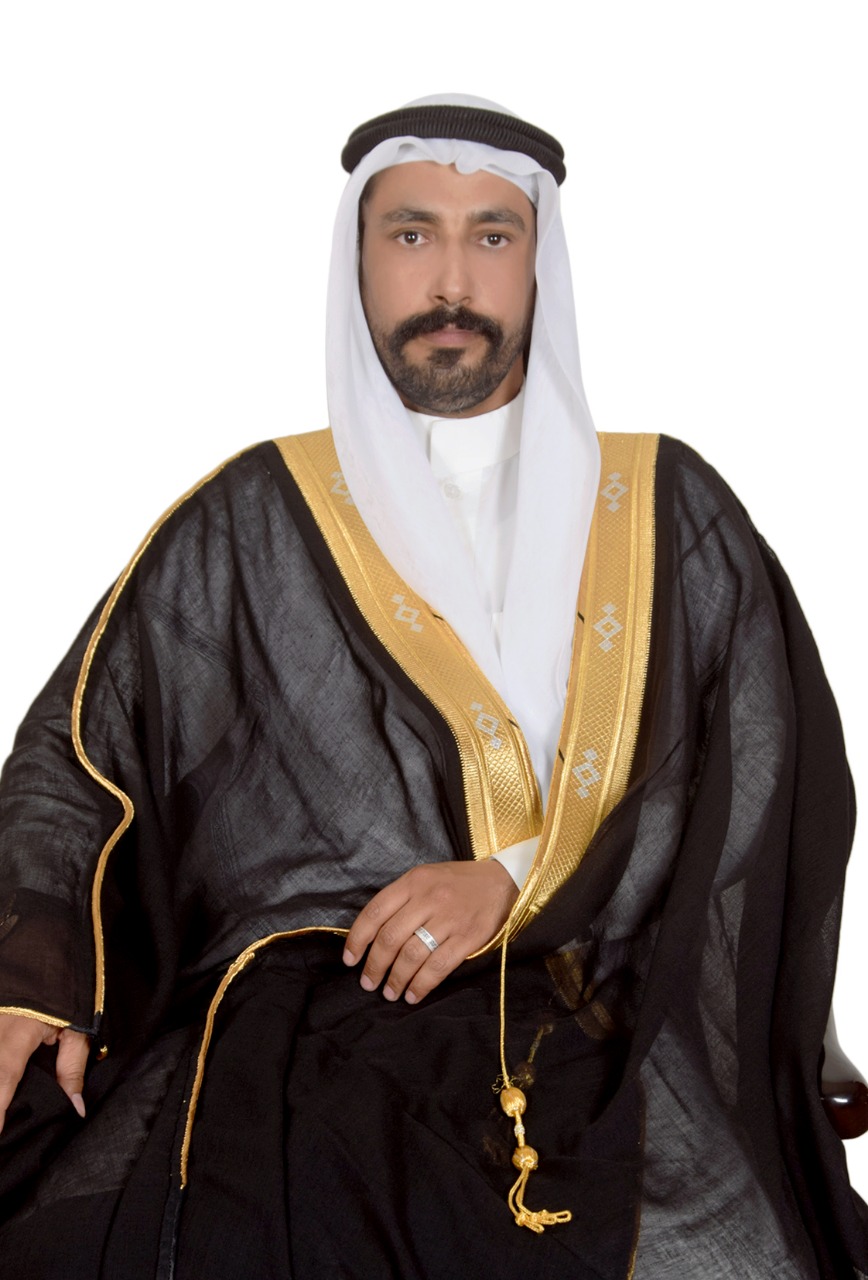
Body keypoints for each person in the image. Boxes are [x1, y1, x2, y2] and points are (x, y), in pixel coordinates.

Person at [0, 93, 865, 1278]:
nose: (451, 279)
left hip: (603, 1006)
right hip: (297, 1018)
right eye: (410, 233)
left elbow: (759, 776)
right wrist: (35, 973)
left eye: (491, 235)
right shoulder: (251, 515)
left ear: (539, 265)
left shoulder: (670, 508)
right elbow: (79, 758)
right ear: (357, 260)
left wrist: (516, 878)